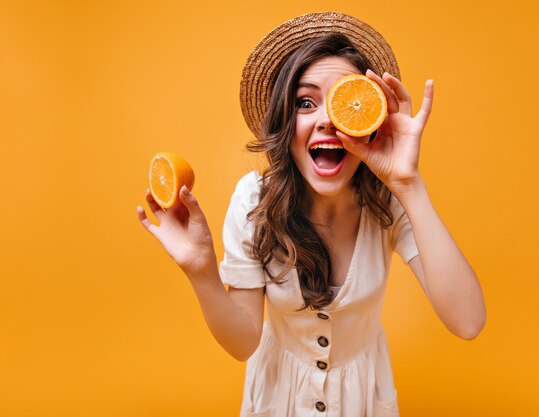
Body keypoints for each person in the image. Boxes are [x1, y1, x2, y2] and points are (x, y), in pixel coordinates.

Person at [137, 12, 486, 417]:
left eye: (343, 103)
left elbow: (468, 322)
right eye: (305, 102)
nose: (325, 120)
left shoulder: (388, 202)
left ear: (368, 120)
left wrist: (408, 183)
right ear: (286, 121)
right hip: (277, 401)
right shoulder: (253, 201)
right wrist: (201, 271)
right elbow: (243, 342)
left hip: (364, 402)